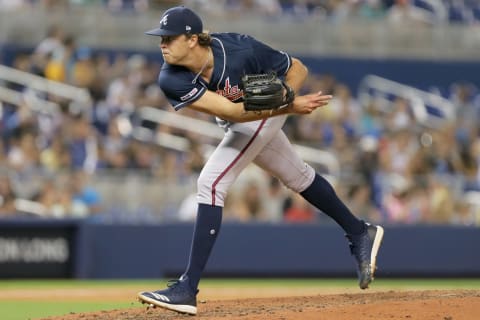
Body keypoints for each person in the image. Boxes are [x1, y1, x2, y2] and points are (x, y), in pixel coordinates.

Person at [138, 6, 384, 315]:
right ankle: (360, 231)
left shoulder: (239, 48)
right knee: (298, 177)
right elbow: (232, 112)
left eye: (169, 38)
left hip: (262, 114)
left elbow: (298, 68)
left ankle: (188, 288)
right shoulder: (170, 77)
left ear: (191, 40)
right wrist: (289, 106)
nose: (162, 44)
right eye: (161, 38)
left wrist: (286, 93)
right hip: (246, 115)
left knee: (210, 182)